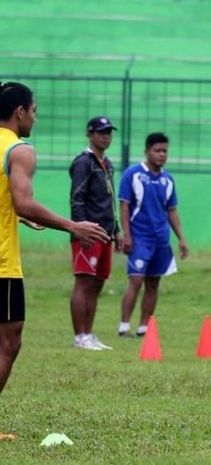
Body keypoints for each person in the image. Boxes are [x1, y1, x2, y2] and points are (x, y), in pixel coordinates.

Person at [0, 82, 109, 397]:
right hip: (3, 265)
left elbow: (13, 204)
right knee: (9, 342)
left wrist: (15, 215)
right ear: (20, 112)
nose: (35, 119)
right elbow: (24, 201)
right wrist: (73, 226)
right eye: (34, 112)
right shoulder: (19, 150)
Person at [118, 132, 188, 337]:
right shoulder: (133, 174)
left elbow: (171, 209)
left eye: (165, 151)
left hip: (161, 239)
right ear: (147, 151)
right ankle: (124, 325)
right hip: (139, 238)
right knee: (136, 280)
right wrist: (126, 234)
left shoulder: (168, 179)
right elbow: (124, 205)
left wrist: (181, 238)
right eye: (157, 150)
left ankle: (144, 327)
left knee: (153, 283)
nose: (162, 154)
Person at [69, 116, 122, 351]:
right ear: (90, 134)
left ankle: (89, 334)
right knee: (84, 282)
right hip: (88, 233)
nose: (106, 136)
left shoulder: (107, 163)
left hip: (105, 234)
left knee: (97, 284)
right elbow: (77, 198)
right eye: (101, 132)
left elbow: (109, 201)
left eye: (109, 132)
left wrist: (117, 230)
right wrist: (81, 228)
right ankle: (79, 336)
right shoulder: (84, 162)